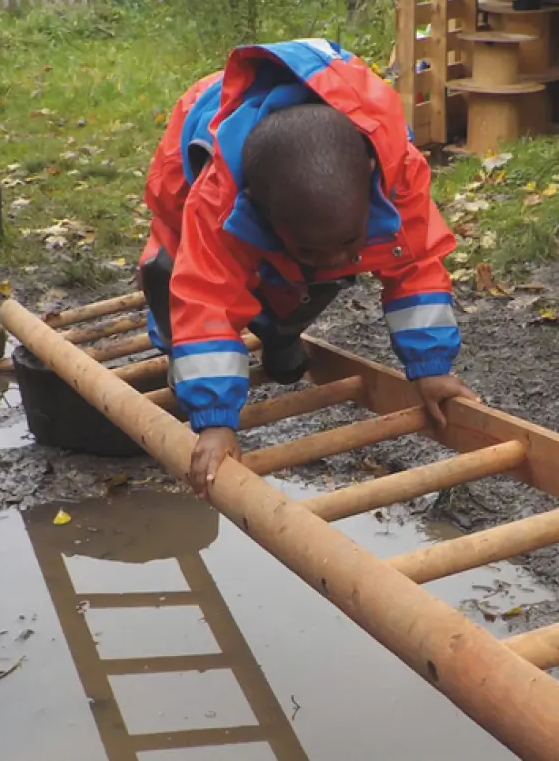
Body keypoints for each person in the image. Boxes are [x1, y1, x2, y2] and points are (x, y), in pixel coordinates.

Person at [139, 38, 478, 498]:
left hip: (306, 190)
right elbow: (205, 299)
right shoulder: (215, 200)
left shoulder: (397, 173)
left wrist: (431, 366)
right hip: (193, 157)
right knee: (170, 274)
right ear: (257, 211)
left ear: (368, 186)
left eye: (348, 241)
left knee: (306, 270)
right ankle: (184, 364)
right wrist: (216, 422)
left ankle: (279, 333)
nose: (337, 261)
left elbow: (415, 267)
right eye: (315, 248)